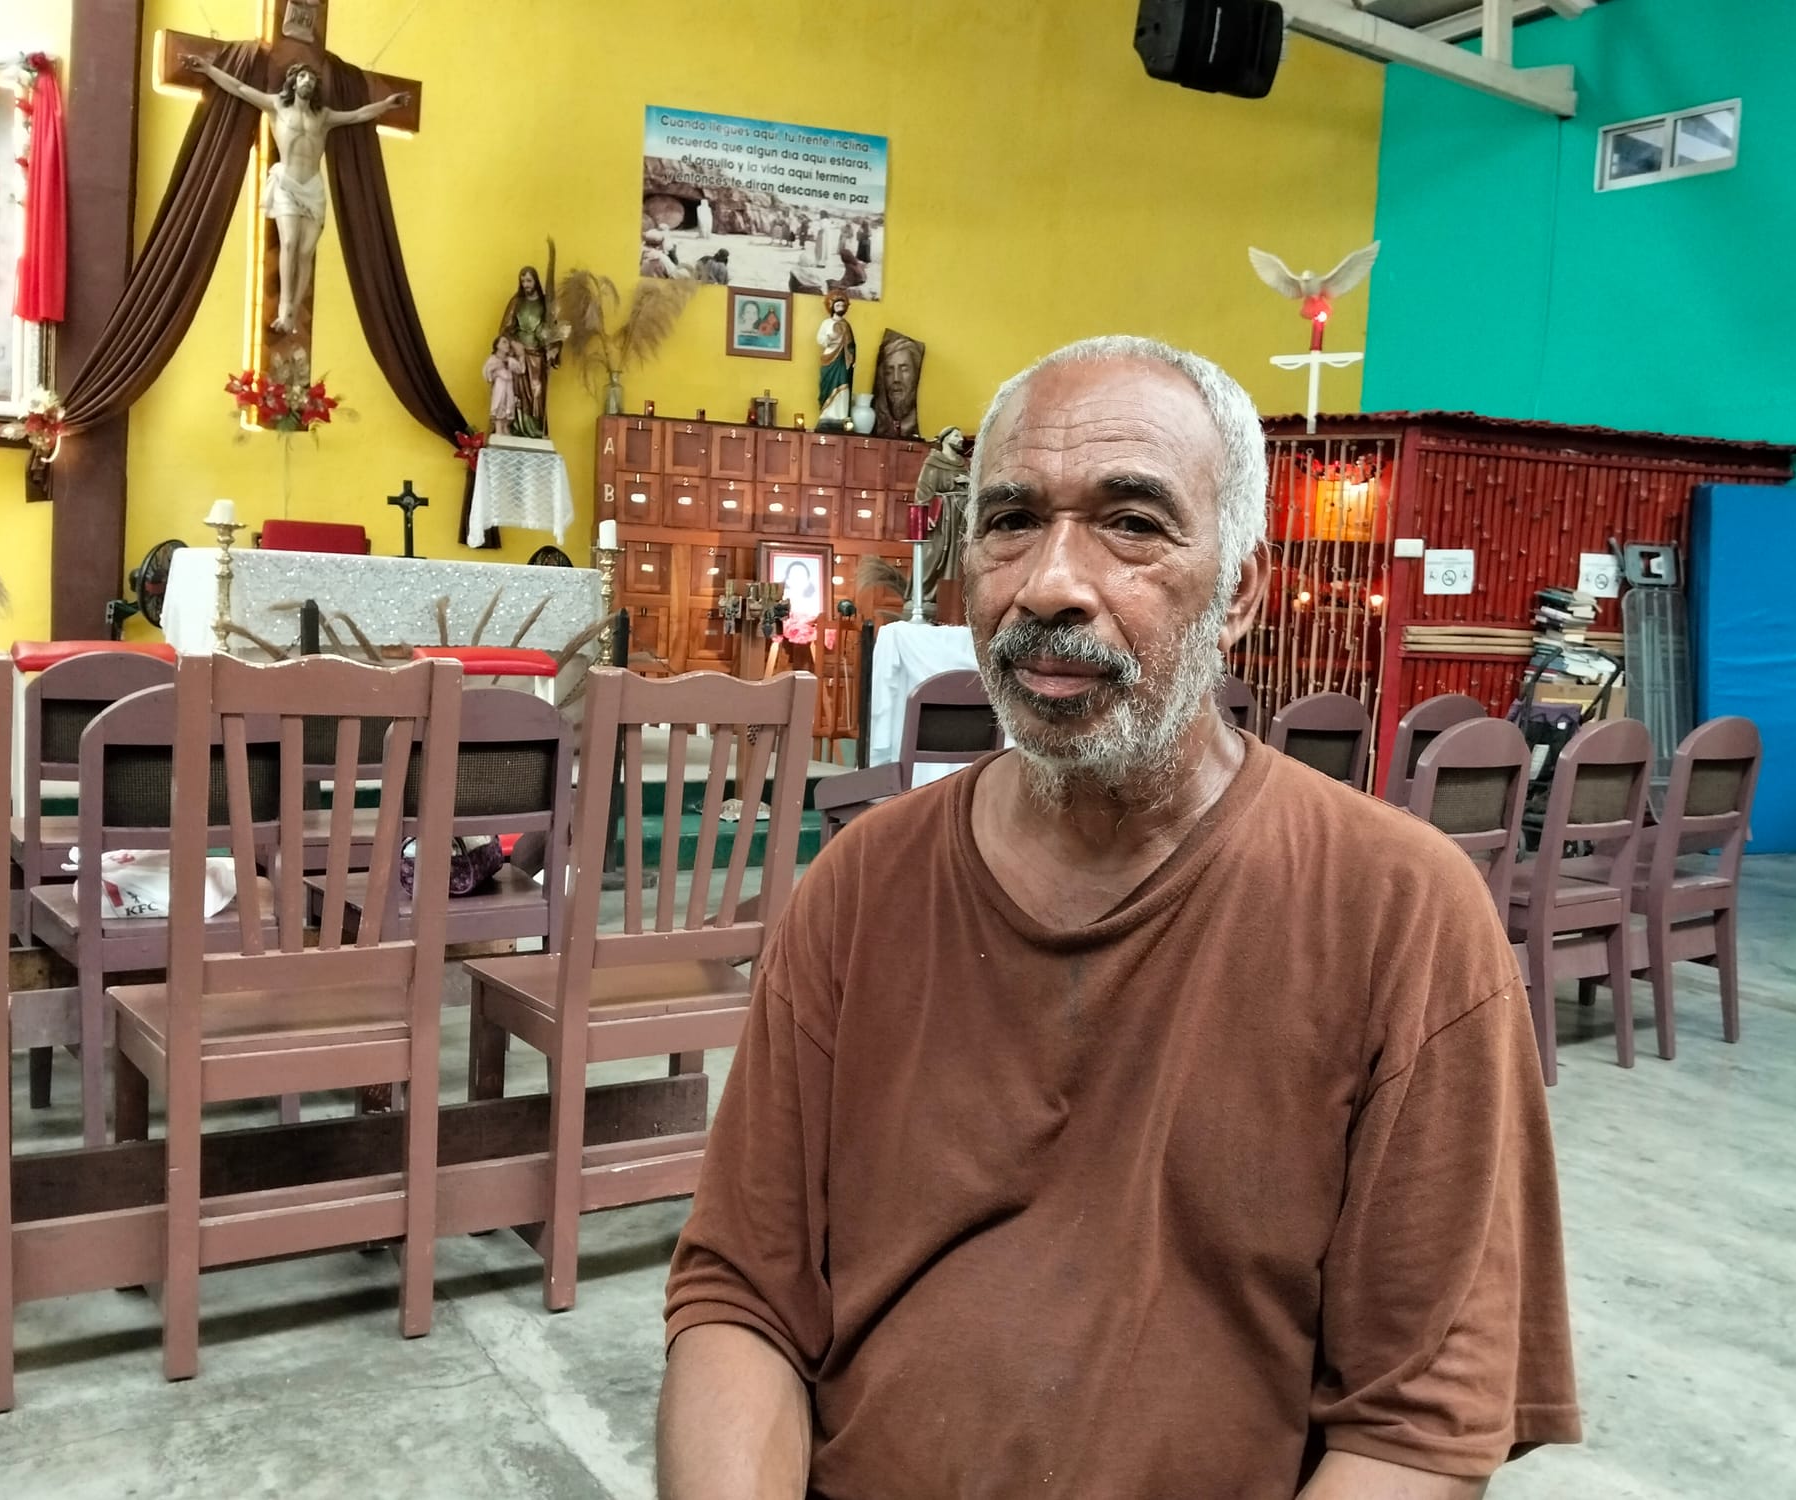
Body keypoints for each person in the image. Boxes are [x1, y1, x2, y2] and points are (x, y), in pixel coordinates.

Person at [659, 336, 1580, 1500]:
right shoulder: (860, 886)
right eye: (1009, 522)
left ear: (1238, 592)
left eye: (1130, 524)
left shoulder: (1398, 916)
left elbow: (1415, 1427)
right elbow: (741, 1294)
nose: (1050, 582)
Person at [184, 57, 409, 334]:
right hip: (287, 183)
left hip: (312, 186)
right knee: (289, 242)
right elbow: (240, 89)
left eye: (312, 79)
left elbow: (357, 115)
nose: (307, 82)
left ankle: (293, 310)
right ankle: (285, 308)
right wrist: (208, 69)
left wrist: (387, 105)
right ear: (293, 81)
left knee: (305, 251)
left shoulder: (322, 116)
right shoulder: (277, 105)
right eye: (303, 77)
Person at [497, 264, 561, 437]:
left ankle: (535, 430)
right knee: (516, 393)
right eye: (523, 281)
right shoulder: (516, 302)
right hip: (518, 356)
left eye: (529, 281)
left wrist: (554, 349)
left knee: (537, 392)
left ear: (535, 281)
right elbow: (504, 329)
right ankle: (515, 429)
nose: (526, 284)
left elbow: (555, 332)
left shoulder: (545, 304)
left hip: (537, 357)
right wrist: (514, 343)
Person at [814, 294, 855, 430]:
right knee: (828, 384)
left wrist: (853, 358)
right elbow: (820, 339)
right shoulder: (827, 323)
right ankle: (827, 414)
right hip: (830, 358)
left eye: (842, 305)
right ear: (832, 307)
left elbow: (852, 345)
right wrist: (829, 339)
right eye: (837, 305)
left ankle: (841, 416)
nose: (840, 308)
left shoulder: (846, 325)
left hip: (843, 360)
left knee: (843, 385)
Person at [481, 335, 522, 436]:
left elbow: (519, 369)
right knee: (499, 403)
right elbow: (486, 371)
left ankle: (505, 427)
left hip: (509, 385)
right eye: (504, 342)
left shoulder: (510, 360)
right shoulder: (493, 359)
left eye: (507, 343)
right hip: (500, 385)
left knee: (509, 404)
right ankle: (498, 427)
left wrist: (519, 357)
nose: (507, 345)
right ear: (497, 345)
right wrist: (494, 373)